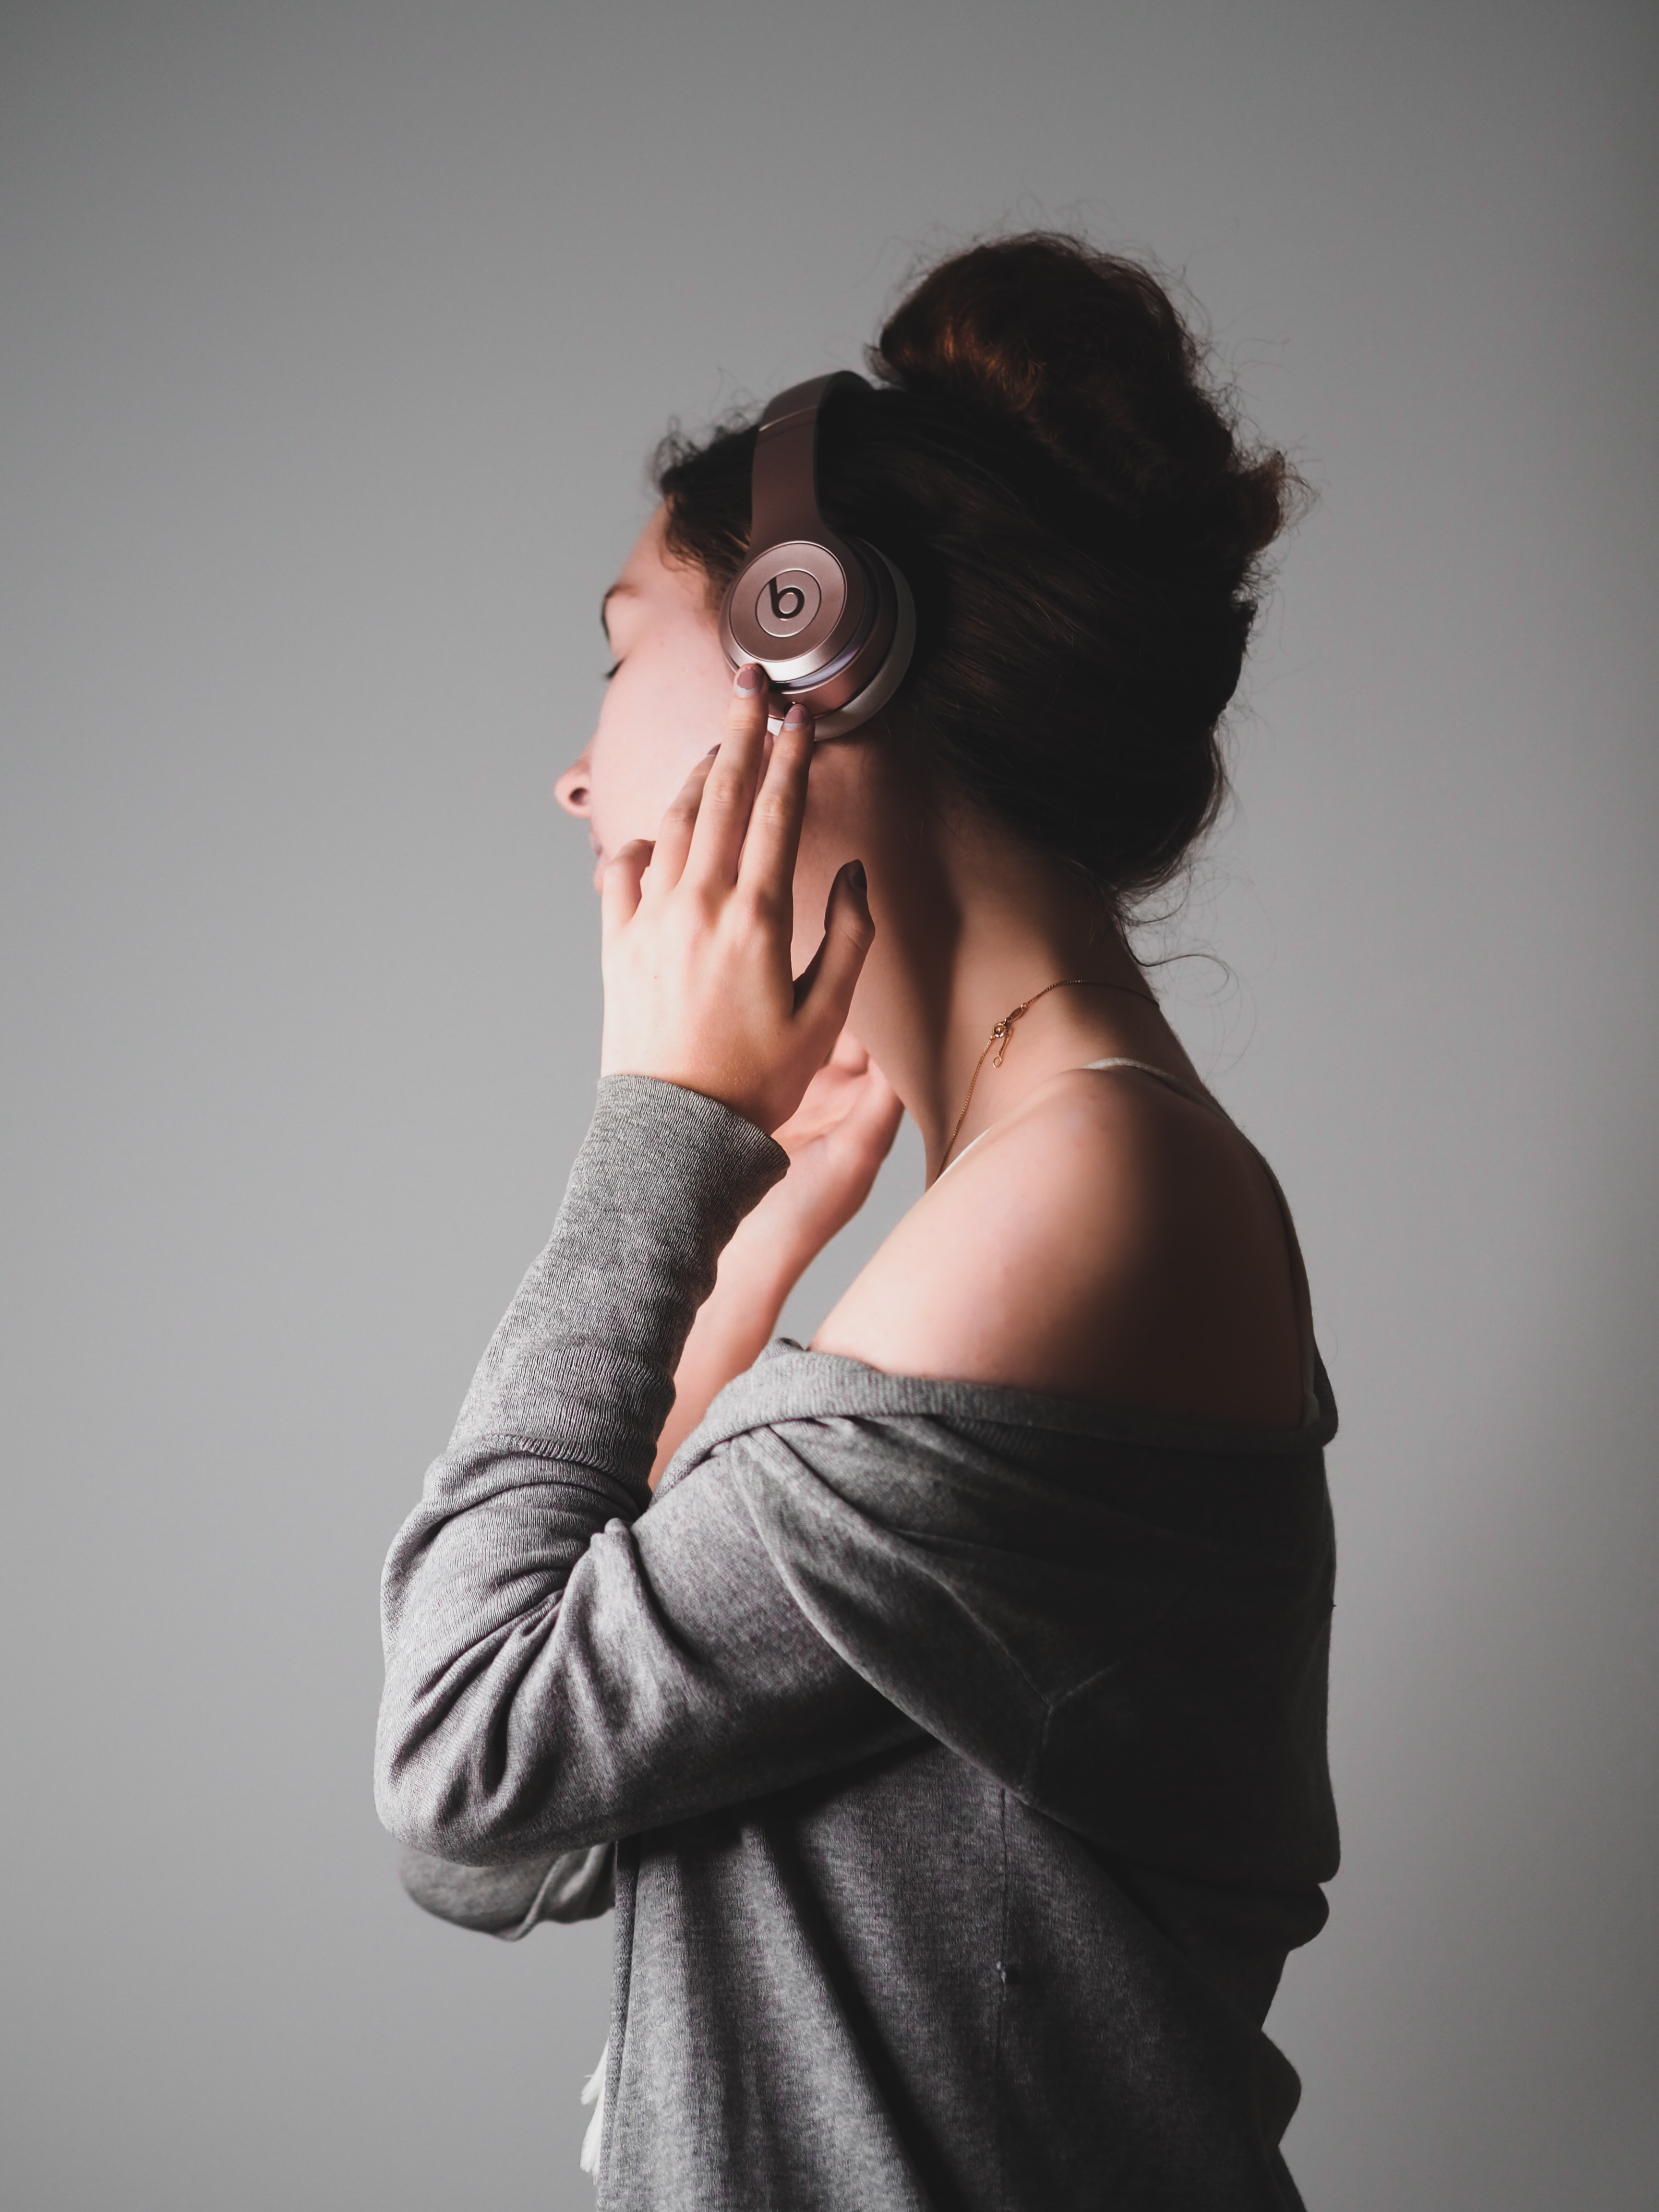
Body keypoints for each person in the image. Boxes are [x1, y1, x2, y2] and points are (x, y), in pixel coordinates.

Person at [375, 234, 1338, 2210]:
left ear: (815, 645)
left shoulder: (1086, 1203)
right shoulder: (1028, 1193)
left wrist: (657, 1131)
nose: (576, 773)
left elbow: (466, 1764)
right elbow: (531, 1839)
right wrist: (733, 1269)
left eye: (621, 646)